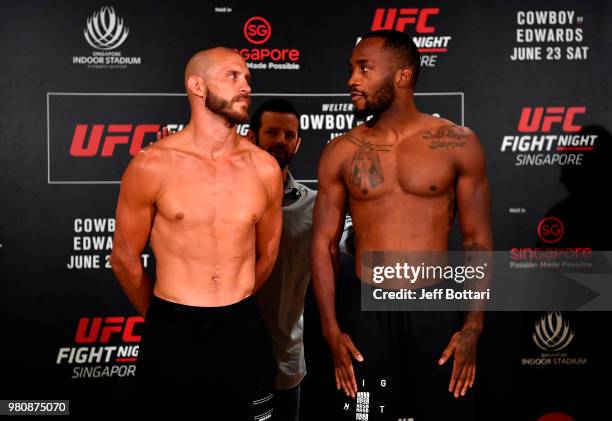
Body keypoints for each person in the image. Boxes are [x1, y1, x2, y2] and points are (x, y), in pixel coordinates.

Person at [311, 30, 493, 420]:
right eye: (351, 69)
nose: (352, 80)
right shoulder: (342, 150)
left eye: (364, 68)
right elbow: (324, 243)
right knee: (363, 415)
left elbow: (477, 239)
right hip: (365, 315)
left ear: (402, 77)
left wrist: (474, 324)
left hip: (435, 309)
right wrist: (330, 328)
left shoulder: (456, 143)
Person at [109, 47, 283, 417]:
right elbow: (124, 258)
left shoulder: (265, 169)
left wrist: (235, 304)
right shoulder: (152, 165)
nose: (245, 87)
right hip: (173, 329)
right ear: (197, 86)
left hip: (241, 326)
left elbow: (267, 254)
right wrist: (162, 317)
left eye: (248, 78)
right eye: (232, 77)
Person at [246, 98, 316, 421]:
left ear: (298, 143)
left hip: (286, 361)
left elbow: (354, 242)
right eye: (272, 132)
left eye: (289, 135)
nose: (281, 141)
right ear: (251, 136)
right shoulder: (220, 199)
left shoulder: (315, 206)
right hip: (231, 359)